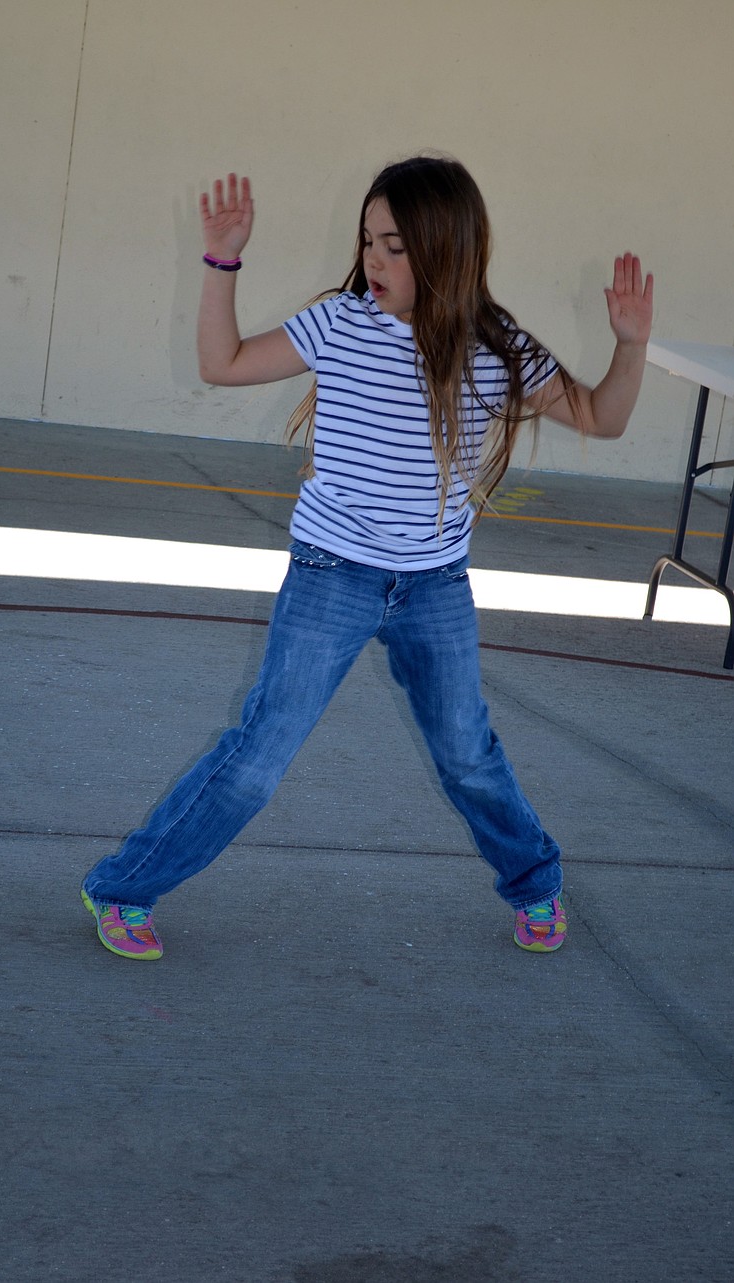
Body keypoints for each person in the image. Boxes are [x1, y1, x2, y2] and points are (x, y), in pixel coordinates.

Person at [80, 156, 653, 961]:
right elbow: (223, 362)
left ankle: (535, 883)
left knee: (466, 751)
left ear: (443, 251)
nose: (373, 261)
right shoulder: (341, 325)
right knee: (257, 759)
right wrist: (221, 263)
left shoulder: (495, 347)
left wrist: (630, 347)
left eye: (393, 246)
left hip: (435, 586)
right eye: (368, 242)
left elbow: (601, 415)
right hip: (332, 576)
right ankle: (124, 888)